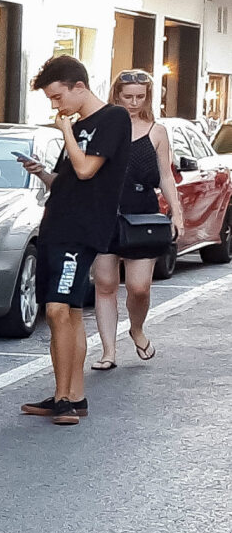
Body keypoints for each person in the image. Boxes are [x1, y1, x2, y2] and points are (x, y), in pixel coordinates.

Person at [22, 55, 131, 426]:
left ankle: (68, 400)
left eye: (57, 97)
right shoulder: (80, 125)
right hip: (57, 224)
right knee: (61, 314)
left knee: (58, 308)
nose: (56, 106)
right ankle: (67, 396)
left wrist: (65, 130)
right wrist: (43, 173)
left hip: (81, 231)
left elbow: (86, 170)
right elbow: (68, 180)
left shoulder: (112, 118)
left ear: (79, 87)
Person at [88, 69, 181, 371]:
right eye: (128, 97)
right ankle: (108, 351)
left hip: (143, 214)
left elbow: (166, 175)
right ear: (116, 95)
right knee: (105, 284)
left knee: (140, 288)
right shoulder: (102, 126)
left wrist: (177, 213)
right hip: (104, 212)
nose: (133, 102)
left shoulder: (156, 131)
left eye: (140, 97)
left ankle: (137, 329)